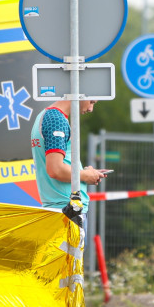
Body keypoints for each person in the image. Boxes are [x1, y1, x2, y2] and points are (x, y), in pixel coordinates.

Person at [30, 99, 105, 237]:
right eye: (92, 102)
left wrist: (85, 173)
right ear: (81, 92)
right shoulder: (56, 120)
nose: (90, 109)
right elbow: (55, 169)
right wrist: (85, 176)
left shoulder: (46, 116)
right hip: (68, 210)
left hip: (63, 209)